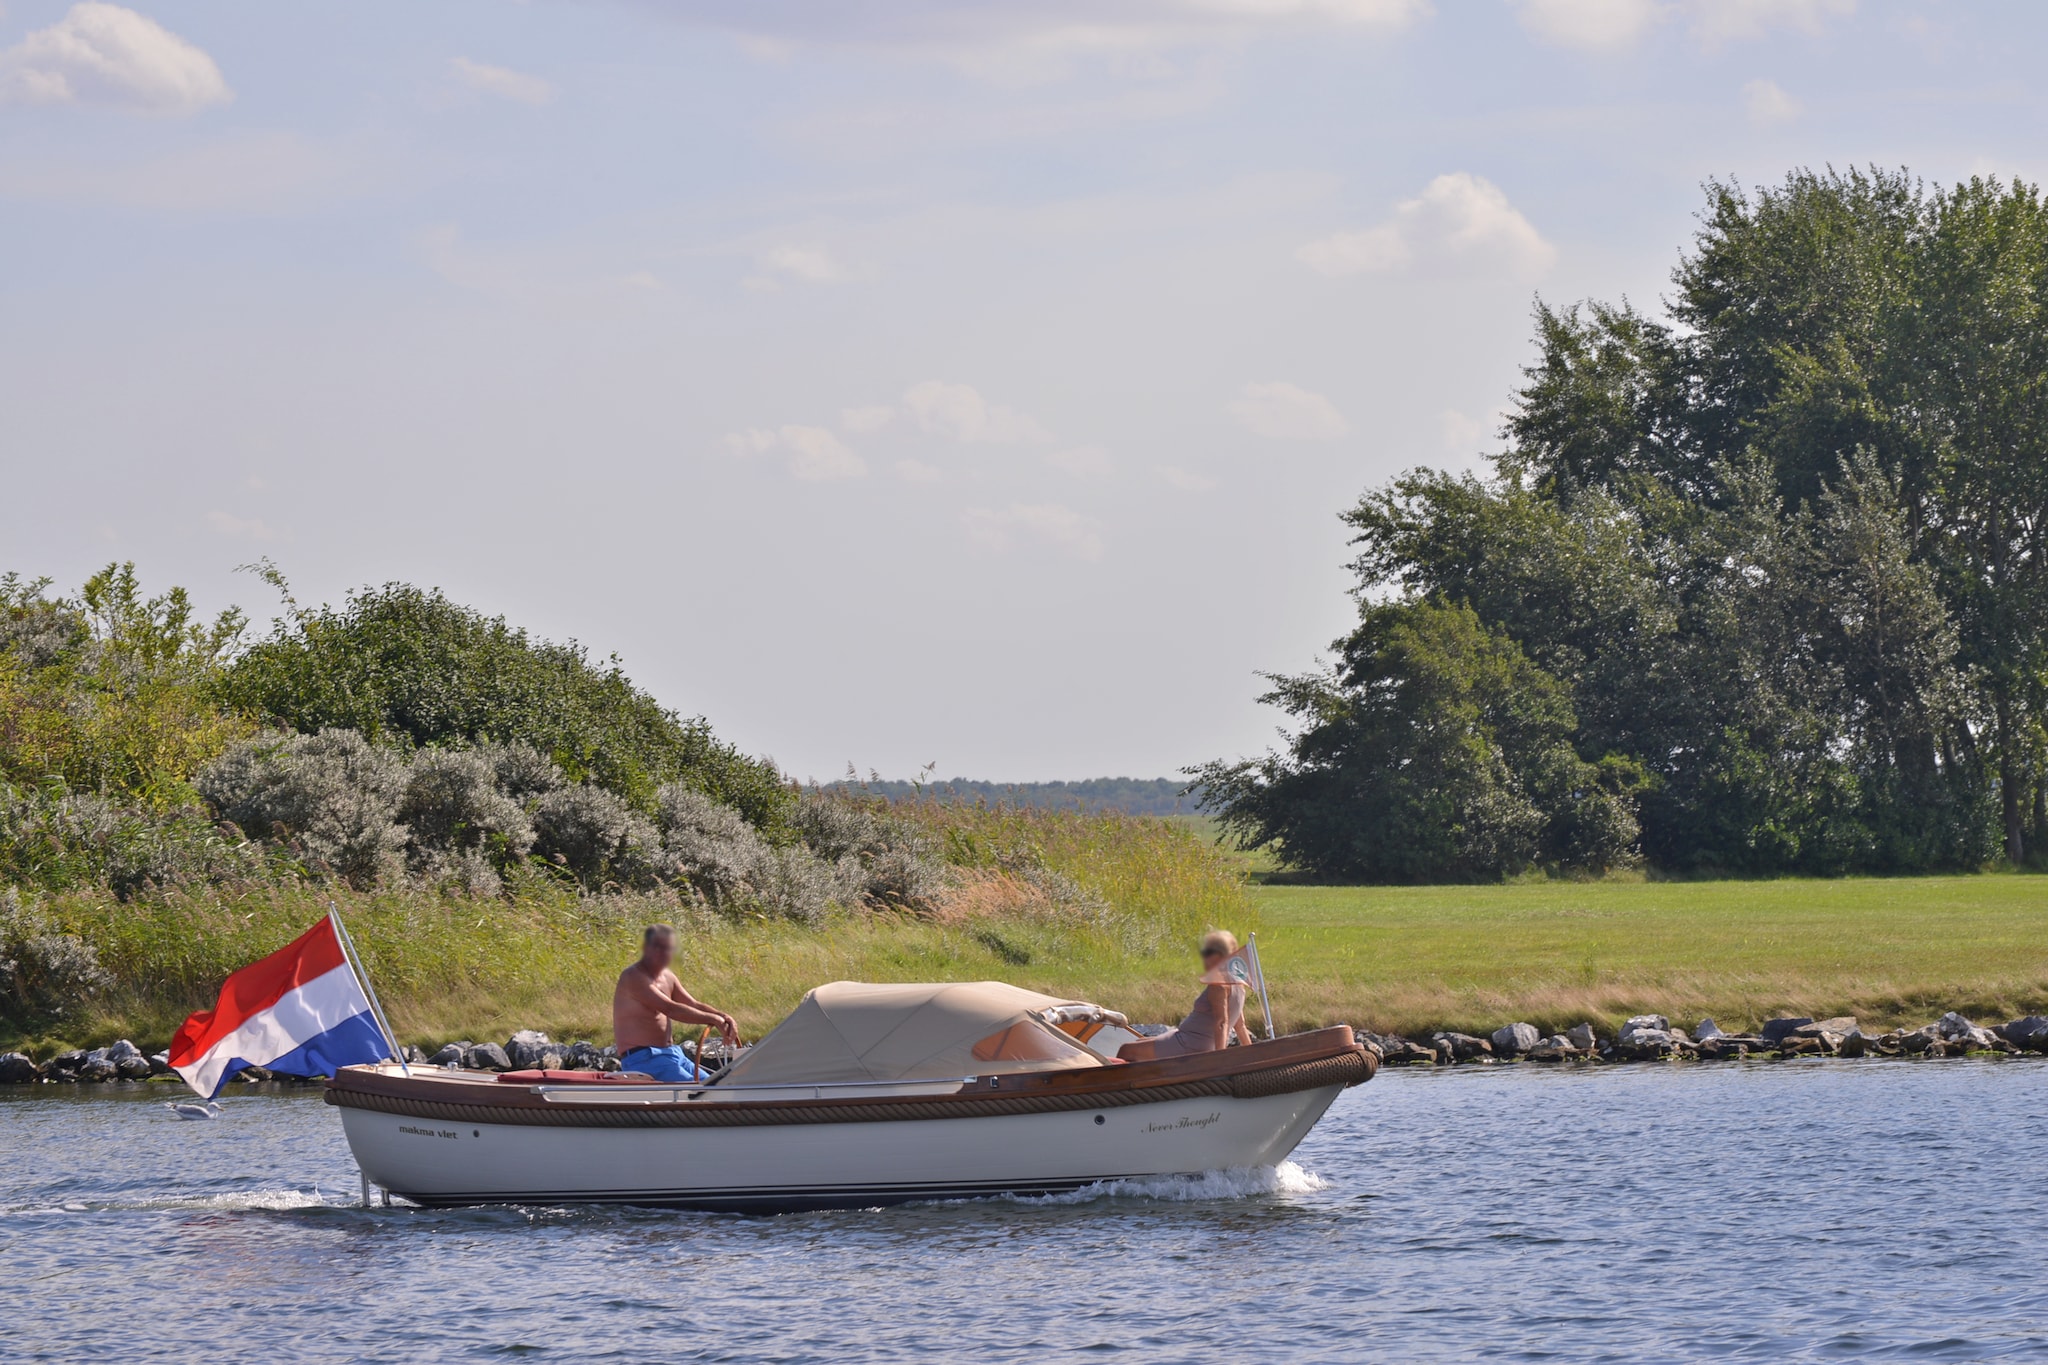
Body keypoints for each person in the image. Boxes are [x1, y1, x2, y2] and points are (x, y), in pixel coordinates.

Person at [613, 924, 739, 1082]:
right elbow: (669, 1008)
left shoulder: (667, 976)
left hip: (673, 1053)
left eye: (668, 948)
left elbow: (692, 1004)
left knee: (719, 1085)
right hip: (644, 1059)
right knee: (705, 1091)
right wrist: (712, 1019)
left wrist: (724, 1017)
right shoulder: (633, 977)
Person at [1117, 930, 1255, 1062]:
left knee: (1126, 1050)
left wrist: (1219, 1059)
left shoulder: (1219, 984)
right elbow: (1240, 1026)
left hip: (1190, 1043)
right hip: (1190, 1039)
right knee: (1139, 1042)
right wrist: (1252, 1055)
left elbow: (1221, 1023)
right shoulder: (1238, 986)